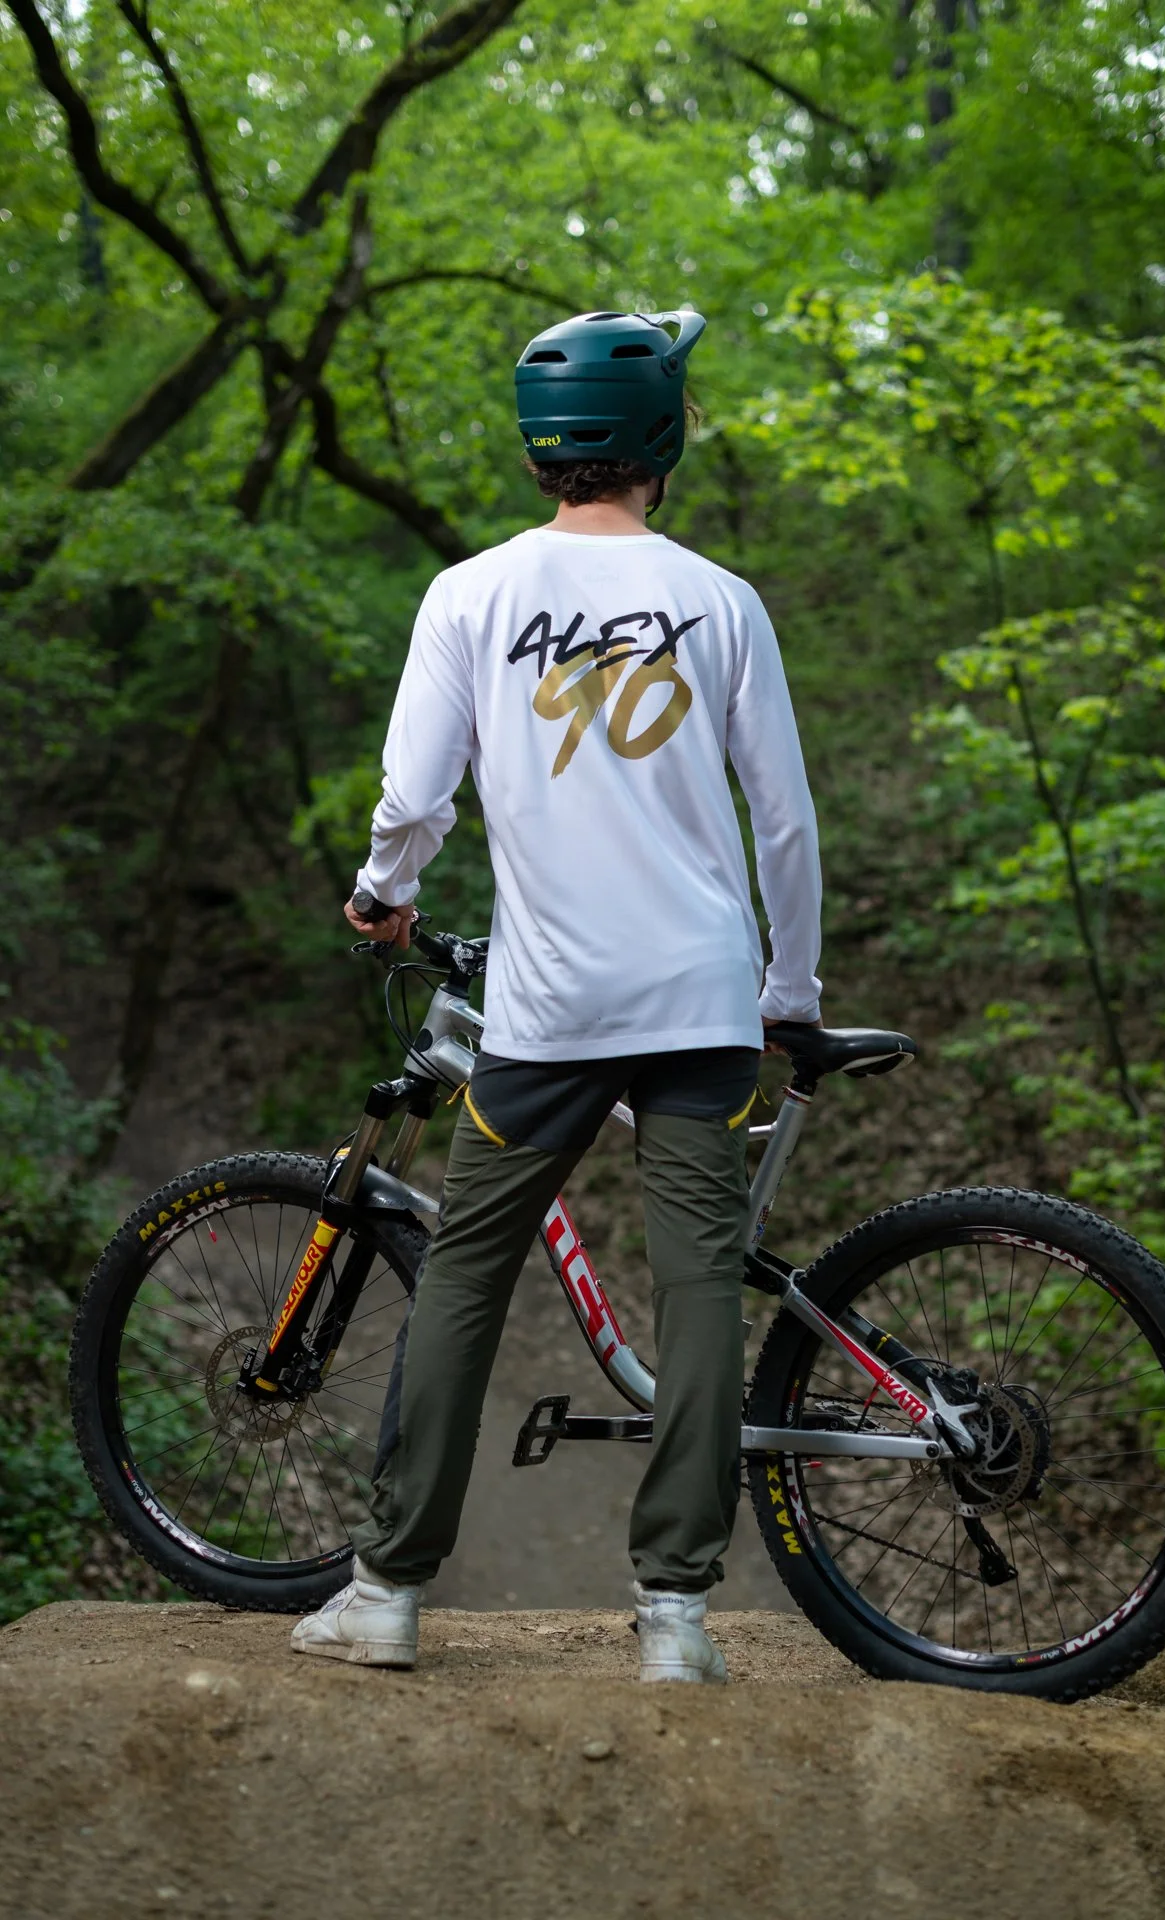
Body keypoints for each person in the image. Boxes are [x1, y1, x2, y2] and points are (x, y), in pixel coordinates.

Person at [291, 307, 823, 1682]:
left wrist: (384, 888)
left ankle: (388, 1591)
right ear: (662, 443)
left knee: (466, 1274)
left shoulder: (470, 594)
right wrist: (790, 986)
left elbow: (417, 795)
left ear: (543, 448)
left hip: (549, 1016)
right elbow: (782, 822)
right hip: (702, 1007)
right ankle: (678, 1618)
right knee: (697, 1288)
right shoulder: (722, 602)